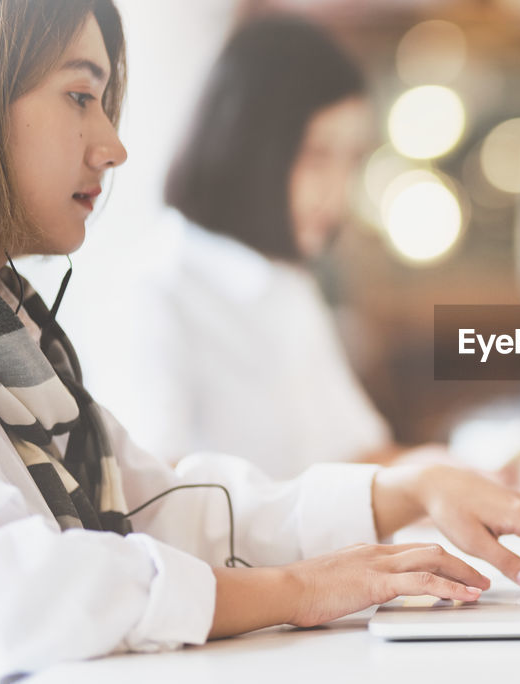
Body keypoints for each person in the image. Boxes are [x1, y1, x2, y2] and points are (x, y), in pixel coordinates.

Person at [0, 1, 520, 678]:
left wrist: (417, 487)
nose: (114, 146)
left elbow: (158, 505)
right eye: (80, 96)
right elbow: (17, 591)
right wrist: (301, 587)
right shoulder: (150, 293)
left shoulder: (18, 337)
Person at [91, 16, 400, 477]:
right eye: (317, 156)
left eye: (350, 160)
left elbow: (364, 454)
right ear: (250, 144)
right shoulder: (155, 291)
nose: (338, 191)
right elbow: (154, 499)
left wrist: (476, 482)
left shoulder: (286, 282)